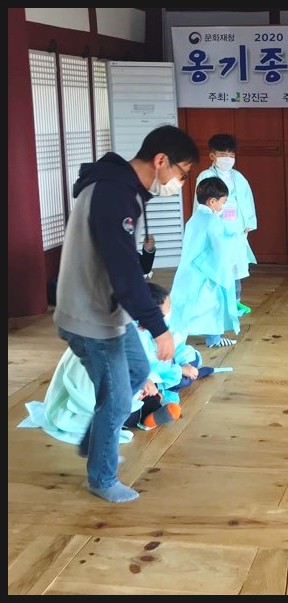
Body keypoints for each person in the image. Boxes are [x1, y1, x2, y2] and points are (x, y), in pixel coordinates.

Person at [52, 124, 199, 503]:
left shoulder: (121, 188)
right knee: (117, 400)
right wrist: (158, 328)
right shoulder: (115, 193)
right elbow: (121, 269)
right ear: (161, 160)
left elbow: (124, 264)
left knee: (136, 370)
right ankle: (101, 478)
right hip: (91, 316)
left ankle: (94, 441)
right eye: (182, 173)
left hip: (108, 312)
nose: (180, 184)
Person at [21, 282, 213, 445]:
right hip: (91, 394)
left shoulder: (127, 324)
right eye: (164, 311)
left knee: (154, 387)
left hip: (119, 382)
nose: (169, 314)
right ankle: (146, 414)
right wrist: (142, 383)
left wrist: (147, 380)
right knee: (123, 411)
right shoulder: (116, 334)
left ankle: (149, 406)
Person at [170, 176, 241, 349]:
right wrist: (235, 238)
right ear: (212, 201)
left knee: (184, 306)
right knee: (213, 305)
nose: (223, 206)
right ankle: (213, 339)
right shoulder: (212, 222)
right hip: (206, 272)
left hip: (188, 271)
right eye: (222, 202)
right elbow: (221, 248)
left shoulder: (195, 219)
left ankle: (175, 337)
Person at [196, 134, 257, 317]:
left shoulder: (238, 177)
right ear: (212, 156)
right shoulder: (206, 176)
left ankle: (235, 301)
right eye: (223, 154)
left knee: (235, 267)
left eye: (231, 155)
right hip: (216, 228)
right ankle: (217, 303)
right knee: (218, 266)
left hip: (236, 228)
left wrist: (248, 224)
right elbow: (200, 203)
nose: (228, 159)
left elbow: (247, 200)